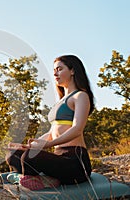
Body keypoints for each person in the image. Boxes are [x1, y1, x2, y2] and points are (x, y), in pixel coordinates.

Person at [6, 55, 95, 185]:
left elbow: (77, 129)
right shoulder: (61, 102)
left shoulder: (80, 96)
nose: (55, 73)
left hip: (75, 161)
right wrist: (31, 145)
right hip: (58, 157)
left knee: (29, 157)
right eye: (54, 70)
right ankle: (44, 180)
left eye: (59, 69)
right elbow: (51, 132)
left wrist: (48, 145)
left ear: (72, 71)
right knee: (13, 154)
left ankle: (31, 179)